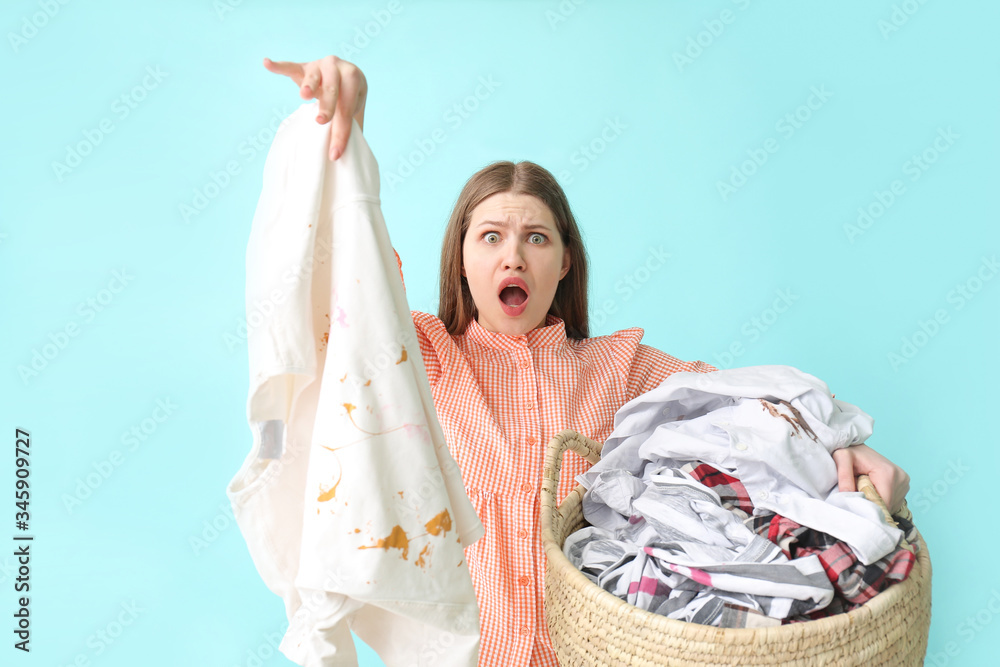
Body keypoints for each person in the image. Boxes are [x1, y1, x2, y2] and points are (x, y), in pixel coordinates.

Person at [261, 54, 912, 666]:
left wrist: (842, 447)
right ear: (462, 257)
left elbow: (750, 411)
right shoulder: (423, 356)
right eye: (490, 236)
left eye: (535, 237)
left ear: (564, 262)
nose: (513, 255)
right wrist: (352, 131)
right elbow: (347, 290)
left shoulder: (623, 369)